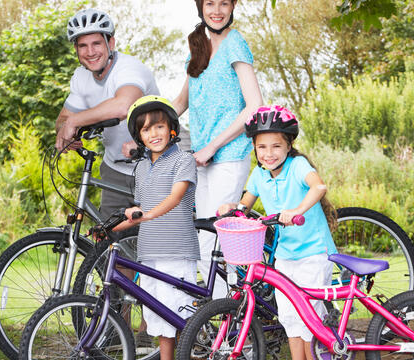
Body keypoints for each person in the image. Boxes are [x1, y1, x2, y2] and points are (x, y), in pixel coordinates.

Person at [218, 105, 338, 360]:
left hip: (314, 252)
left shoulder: (298, 166)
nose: (268, 153)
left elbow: (318, 187)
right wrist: (233, 208)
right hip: (285, 256)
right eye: (262, 147)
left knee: (309, 318)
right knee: (289, 317)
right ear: (255, 148)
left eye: (275, 146)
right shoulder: (260, 175)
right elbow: (244, 205)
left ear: (288, 145)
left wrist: (297, 210)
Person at [171, 0, 264, 298]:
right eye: (210, 2)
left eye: (224, 3)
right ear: (200, 6)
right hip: (202, 157)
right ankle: (226, 316)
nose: (217, 10)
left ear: (233, 6)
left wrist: (212, 146)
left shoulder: (235, 44)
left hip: (228, 154)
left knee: (218, 243)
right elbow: (181, 102)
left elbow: (254, 106)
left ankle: (235, 324)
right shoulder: (198, 46)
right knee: (203, 240)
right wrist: (146, 124)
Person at [114, 95, 199, 360]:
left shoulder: (183, 160)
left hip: (177, 250)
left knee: (179, 313)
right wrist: (112, 229)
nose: (154, 133)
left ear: (171, 128)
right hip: (149, 251)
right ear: (140, 136)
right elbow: (139, 211)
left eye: (159, 126)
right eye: (146, 129)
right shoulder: (140, 168)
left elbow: (175, 198)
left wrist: (145, 216)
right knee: (157, 314)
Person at [56, 8, 161, 217]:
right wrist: (65, 132)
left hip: (154, 167)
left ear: (110, 43)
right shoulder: (80, 76)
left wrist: (76, 121)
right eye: (82, 46)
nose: (90, 52)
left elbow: (123, 106)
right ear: (76, 50)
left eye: (96, 43)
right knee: (108, 240)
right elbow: (63, 119)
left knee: (154, 240)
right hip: (114, 168)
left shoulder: (129, 68)